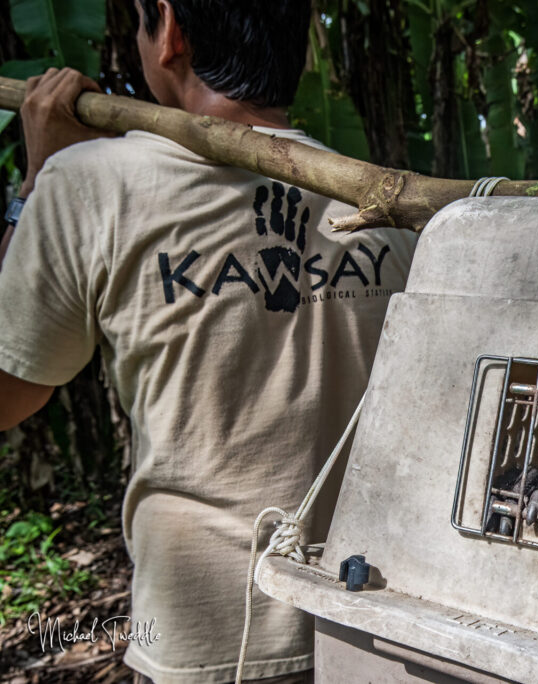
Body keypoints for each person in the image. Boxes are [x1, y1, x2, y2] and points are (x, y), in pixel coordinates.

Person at [0, 1, 417, 682]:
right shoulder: (386, 203)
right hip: (374, 627)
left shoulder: (85, 187)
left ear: (169, 31)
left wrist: (36, 181)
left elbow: (6, 396)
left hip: (207, 639)